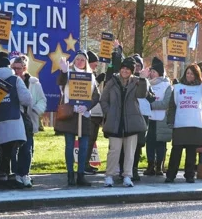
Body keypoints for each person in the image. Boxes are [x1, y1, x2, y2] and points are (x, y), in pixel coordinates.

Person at [100, 57, 149, 187]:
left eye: (128, 69)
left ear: (132, 71)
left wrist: (143, 79)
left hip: (131, 122)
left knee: (130, 151)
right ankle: (109, 176)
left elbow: (142, 94)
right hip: (115, 122)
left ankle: (127, 176)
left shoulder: (137, 82)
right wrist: (109, 112)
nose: (125, 71)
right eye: (123, 68)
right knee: (114, 151)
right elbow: (103, 99)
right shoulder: (112, 81)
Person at [0, 52, 32, 189]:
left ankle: (1, 177)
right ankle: (7, 178)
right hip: (13, 121)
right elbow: (27, 99)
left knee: (2, 150)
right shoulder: (15, 80)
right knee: (11, 151)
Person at [165, 63, 202, 183]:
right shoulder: (177, 87)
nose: (189, 75)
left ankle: (189, 175)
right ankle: (170, 175)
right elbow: (172, 106)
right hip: (180, 124)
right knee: (176, 151)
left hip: (195, 124)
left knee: (191, 152)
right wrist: (170, 121)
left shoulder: (201, 88)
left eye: (192, 74)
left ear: (196, 75)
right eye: (187, 73)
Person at [55, 51, 100, 186]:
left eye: (82, 60)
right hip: (70, 114)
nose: (80, 62)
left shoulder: (90, 76)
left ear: (86, 62)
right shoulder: (68, 73)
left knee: (84, 146)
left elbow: (96, 96)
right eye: (78, 59)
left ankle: (81, 175)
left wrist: (86, 107)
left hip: (84, 116)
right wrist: (63, 71)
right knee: (69, 145)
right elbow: (61, 83)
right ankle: (70, 175)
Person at [10, 55, 47, 187]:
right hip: (14, 119)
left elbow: (42, 100)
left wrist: (36, 110)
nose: (15, 71)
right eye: (13, 68)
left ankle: (24, 173)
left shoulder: (34, 83)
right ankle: (15, 174)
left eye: (18, 68)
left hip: (29, 120)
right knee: (13, 149)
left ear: (25, 68)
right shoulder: (10, 81)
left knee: (27, 148)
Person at [143, 57, 172, 176]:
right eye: (151, 72)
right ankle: (150, 165)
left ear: (159, 73)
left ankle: (159, 166)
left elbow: (166, 103)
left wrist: (150, 105)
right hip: (149, 119)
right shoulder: (147, 84)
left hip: (161, 119)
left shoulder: (167, 85)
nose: (151, 74)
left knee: (160, 143)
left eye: (153, 72)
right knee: (149, 143)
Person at [84, 50, 104, 175]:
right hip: (90, 112)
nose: (96, 66)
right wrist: (97, 80)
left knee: (92, 139)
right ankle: (84, 164)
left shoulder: (93, 74)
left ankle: (87, 163)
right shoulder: (86, 75)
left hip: (98, 112)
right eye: (94, 64)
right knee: (89, 139)